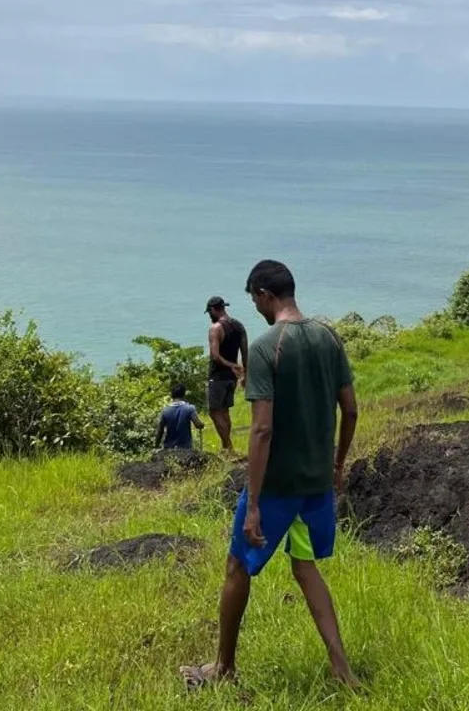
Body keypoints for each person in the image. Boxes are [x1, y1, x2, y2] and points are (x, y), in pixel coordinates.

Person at [181, 260, 361, 691]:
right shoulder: (329, 337)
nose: (256, 308)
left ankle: (223, 668)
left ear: (265, 294)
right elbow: (351, 410)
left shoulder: (266, 347)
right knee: (305, 568)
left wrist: (254, 504)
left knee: (236, 566)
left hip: (278, 485)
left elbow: (261, 430)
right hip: (316, 483)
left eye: (255, 299)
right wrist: (337, 466)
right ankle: (342, 670)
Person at [206, 295, 247, 453]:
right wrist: (244, 372)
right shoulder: (239, 326)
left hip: (218, 377)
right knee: (224, 411)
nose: (210, 316)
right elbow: (245, 351)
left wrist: (231, 365)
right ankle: (226, 448)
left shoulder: (215, 328)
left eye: (209, 312)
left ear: (213, 309)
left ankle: (228, 447)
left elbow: (215, 356)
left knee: (214, 412)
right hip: (232, 378)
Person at [155, 383, 204, 450]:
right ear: (183, 394)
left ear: (172, 395)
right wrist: (202, 425)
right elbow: (197, 425)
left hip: (169, 447)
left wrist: (156, 445)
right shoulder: (189, 408)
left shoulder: (165, 411)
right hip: (185, 447)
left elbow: (160, 431)